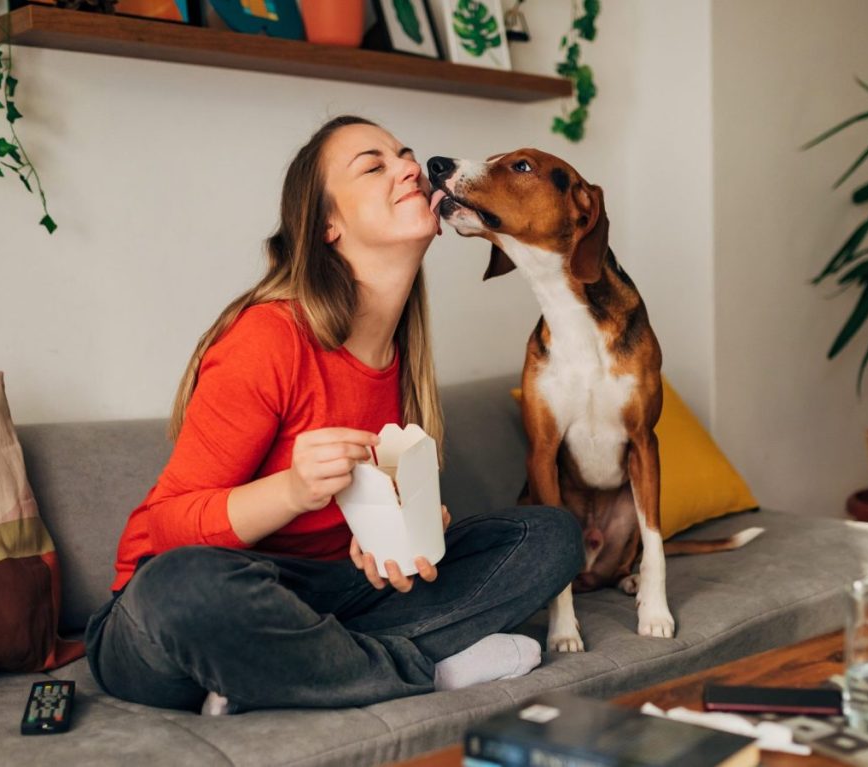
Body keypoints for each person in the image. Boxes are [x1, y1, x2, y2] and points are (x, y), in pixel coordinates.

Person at [84, 115, 584, 715]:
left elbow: (367, 541)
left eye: (404, 155)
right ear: (327, 226)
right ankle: (423, 670)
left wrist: (398, 539)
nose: (408, 168)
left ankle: (282, 676)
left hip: (329, 599)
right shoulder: (268, 338)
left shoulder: (404, 359)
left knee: (550, 536)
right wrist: (294, 489)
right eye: (374, 166)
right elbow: (165, 528)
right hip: (171, 612)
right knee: (182, 590)